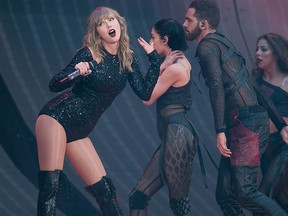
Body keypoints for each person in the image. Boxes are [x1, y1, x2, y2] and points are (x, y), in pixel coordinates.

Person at [35, 6, 166, 216]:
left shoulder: (127, 59)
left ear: (120, 24)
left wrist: (155, 60)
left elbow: (145, 92)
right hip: (56, 118)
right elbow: (54, 85)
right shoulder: (89, 54)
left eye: (112, 19)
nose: (109, 25)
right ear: (98, 32)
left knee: (105, 192)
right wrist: (76, 73)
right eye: (102, 23)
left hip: (79, 131)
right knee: (51, 187)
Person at [183, 0, 288, 215]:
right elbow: (253, 87)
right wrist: (280, 123)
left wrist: (219, 130)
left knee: (245, 192)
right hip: (244, 124)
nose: (184, 24)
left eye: (188, 20)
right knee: (225, 195)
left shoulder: (207, 47)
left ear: (203, 24)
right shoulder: (223, 42)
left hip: (244, 127)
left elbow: (216, 89)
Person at [128, 18, 198, 216]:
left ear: (165, 40)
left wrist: (157, 64)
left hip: (178, 137)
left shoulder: (175, 67)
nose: (151, 43)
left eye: (153, 38)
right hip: (173, 136)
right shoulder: (176, 62)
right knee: (138, 197)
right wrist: (160, 62)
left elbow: (147, 97)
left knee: (179, 205)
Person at [253, 33, 288, 214]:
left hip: (283, 151)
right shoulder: (254, 82)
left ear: (276, 53)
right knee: (279, 203)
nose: (257, 53)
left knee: (262, 201)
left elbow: (277, 121)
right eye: (257, 49)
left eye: (263, 49)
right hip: (265, 152)